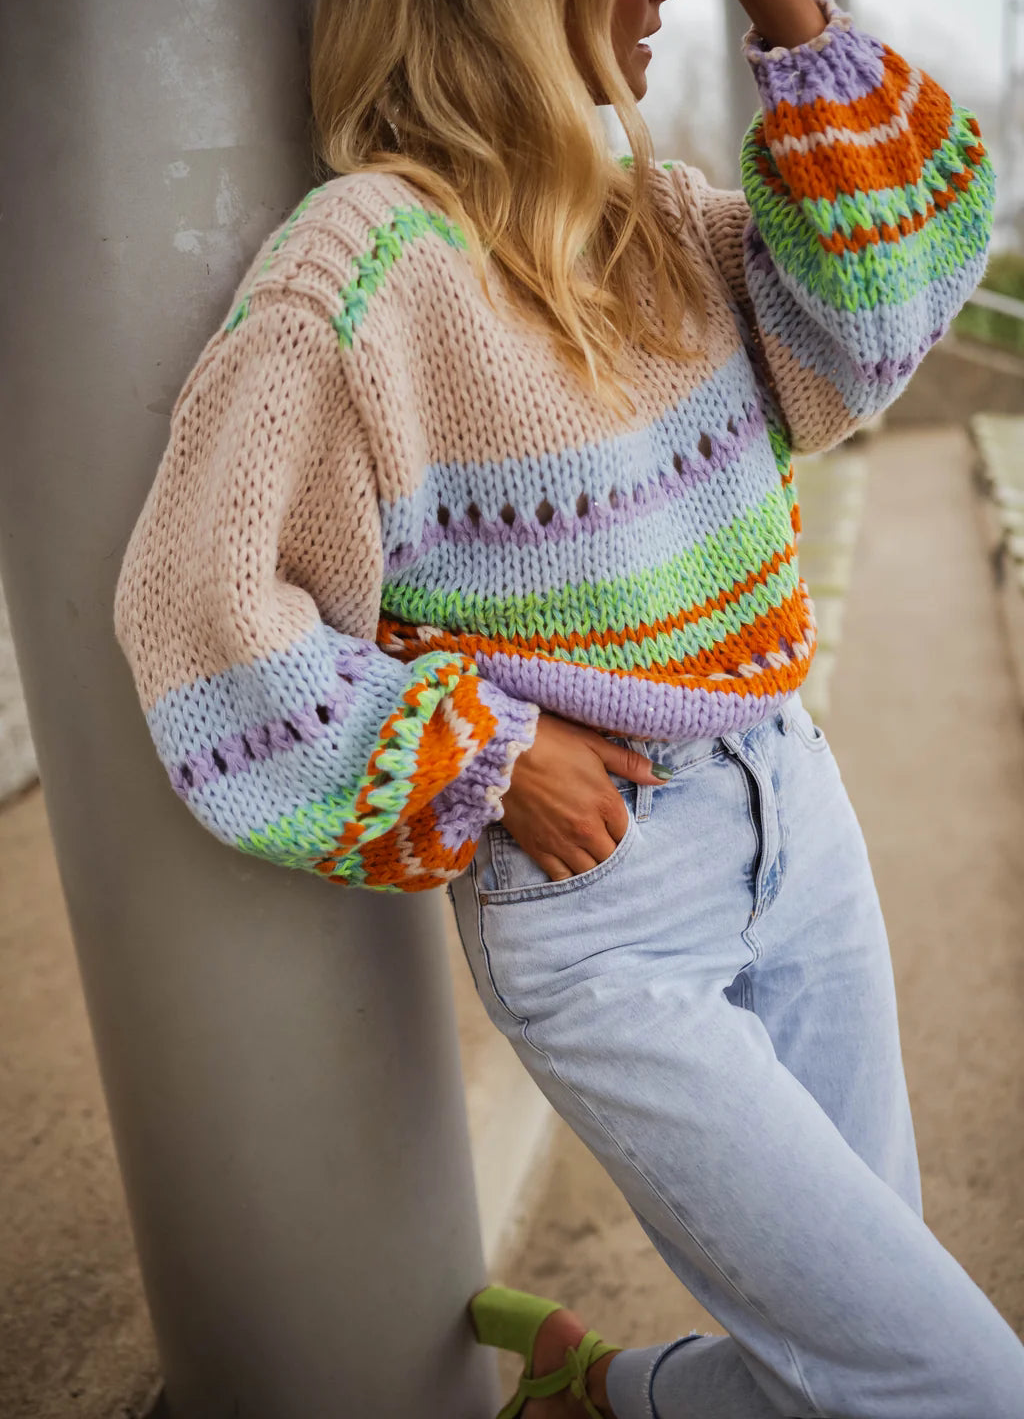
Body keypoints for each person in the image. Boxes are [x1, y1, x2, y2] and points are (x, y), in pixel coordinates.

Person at [112, 0, 1024, 1413]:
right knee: (952, 1382)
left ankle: (598, 1395)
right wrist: (490, 748)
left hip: (797, 809)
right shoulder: (362, 267)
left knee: (860, 1364)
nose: (658, 7)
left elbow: (885, 311)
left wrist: (795, 21)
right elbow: (200, 618)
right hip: (607, 900)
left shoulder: (659, 219)